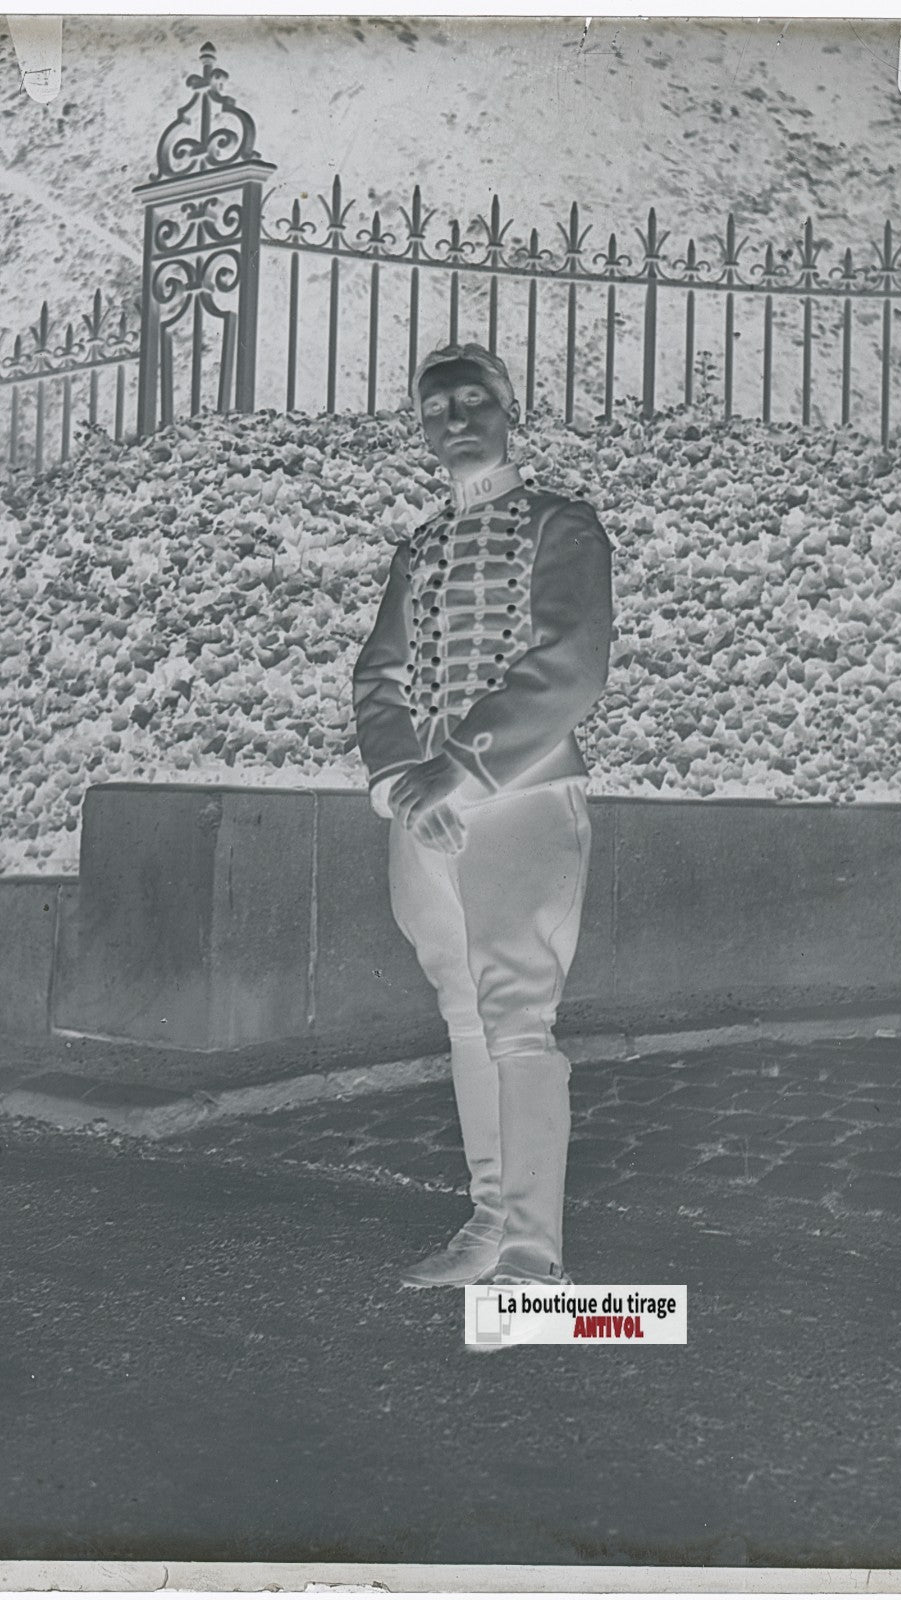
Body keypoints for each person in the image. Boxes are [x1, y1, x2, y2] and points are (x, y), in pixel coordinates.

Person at [352, 342, 613, 1288]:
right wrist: (399, 780)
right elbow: (378, 676)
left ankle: (535, 1260)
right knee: (462, 1016)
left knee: (515, 1018)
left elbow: (569, 664)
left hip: (521, 797)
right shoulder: (415, 548)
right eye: (436, 410)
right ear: (424, 431)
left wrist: (457, 768)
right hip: (424, 814)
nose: (456, 420)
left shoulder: (561, 524)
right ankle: (488, 1224)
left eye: (473, 401)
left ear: (511, 412)